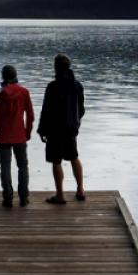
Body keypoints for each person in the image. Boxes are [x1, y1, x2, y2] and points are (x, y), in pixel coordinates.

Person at [37, 54, 86, 204]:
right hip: (71, 129)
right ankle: (80, 190)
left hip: (55, 130)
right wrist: (75, 122)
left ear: (56, 67)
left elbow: (46, 110)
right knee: (73, 157)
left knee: (56, 161)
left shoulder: (53, 86)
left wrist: (42, 130)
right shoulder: (77, 86)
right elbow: (82, 109)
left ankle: (60, 195)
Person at [0, 65, 35, 207]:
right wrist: (28, 131)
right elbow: (30, 115)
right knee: (22, 166)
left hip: (3, 136)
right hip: (20, 135)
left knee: (5, 167)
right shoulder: (24, 92)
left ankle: (7, 199)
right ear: (15, 75)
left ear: (3, 76)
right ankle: (23, 198)